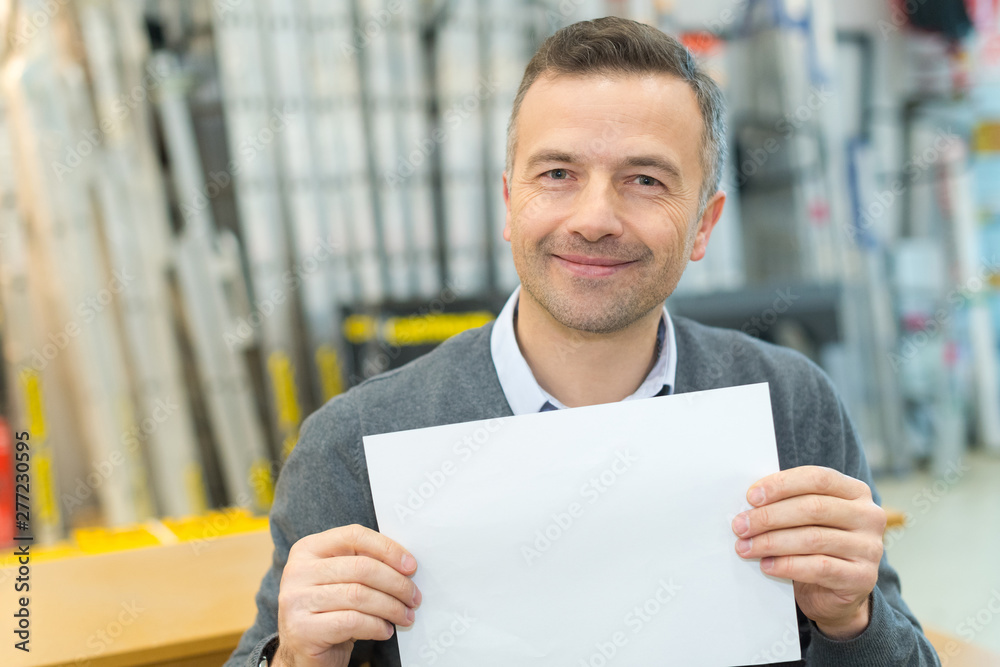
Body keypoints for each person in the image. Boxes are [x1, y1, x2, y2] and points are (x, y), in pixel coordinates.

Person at [226, 16, 940, 667]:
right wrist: (295, 660)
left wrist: (853, 620)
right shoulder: (353, 445)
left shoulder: (790, 403)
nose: (595, 217)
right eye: (559, 173)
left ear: (704, 225)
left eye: (645, 179)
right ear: (510, 202)